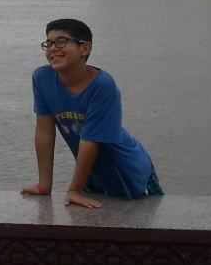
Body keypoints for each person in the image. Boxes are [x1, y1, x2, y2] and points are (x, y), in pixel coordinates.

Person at [21, 18, 163, 208]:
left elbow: (90, 140)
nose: (53, 48)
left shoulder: (102, 85)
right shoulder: (42, 78)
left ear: (85, 49)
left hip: (128, 170)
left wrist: (74, 190)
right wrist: (44, 185)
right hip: (92, 173)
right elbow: (44, 132)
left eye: (61, 41)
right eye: (49, 43)